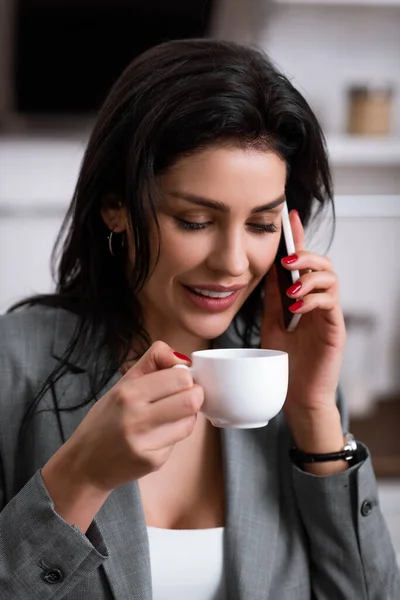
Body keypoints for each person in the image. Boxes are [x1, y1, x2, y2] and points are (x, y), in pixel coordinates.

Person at [0, 38, 398, 600]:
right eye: (194, 220)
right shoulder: (13, 366)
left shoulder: (290, 389)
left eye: (262, 225)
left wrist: (313, 414)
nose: (234, 264)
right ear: (115, 205)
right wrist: (81, 478)